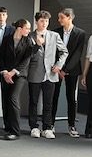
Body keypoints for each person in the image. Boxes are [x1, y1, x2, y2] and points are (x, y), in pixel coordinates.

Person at [27, 11, 68, 139]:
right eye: (41, 21)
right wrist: (36, 46)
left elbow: (64, 52)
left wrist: (58, 65)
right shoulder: (30, 36)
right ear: (36, 22)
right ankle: (34, 127)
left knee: (48, 103)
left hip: (50, 74)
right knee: (33, 102)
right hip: (35, 73)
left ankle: (47, 127)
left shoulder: (54, 35)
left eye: (46, 21)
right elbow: (26, 55)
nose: (44, 23)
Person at [52, 8, 86, 138]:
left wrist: (65, 70)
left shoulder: (80, 33)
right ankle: (50, 124)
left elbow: (78, 54)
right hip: (56, 69)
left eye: (61, 17)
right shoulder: (55, 32)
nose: (59, 20)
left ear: (69, 18)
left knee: (71, 98)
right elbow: (54, 51)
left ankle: (71, 125)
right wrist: (59, 68)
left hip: (72, 70)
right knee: (53, 96)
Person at [0, 19, 35, 140]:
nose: (29, 31)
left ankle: (15, 131)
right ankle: (8, 127)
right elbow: (1, 57)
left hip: (19, 75)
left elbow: (26, 60)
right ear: (20, 28)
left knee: (13, 98)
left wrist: (12, 72)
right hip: (5, 74)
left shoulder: (29, 41)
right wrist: (5, 72)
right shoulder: (7, 39)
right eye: (27, 28)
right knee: (5, 99)